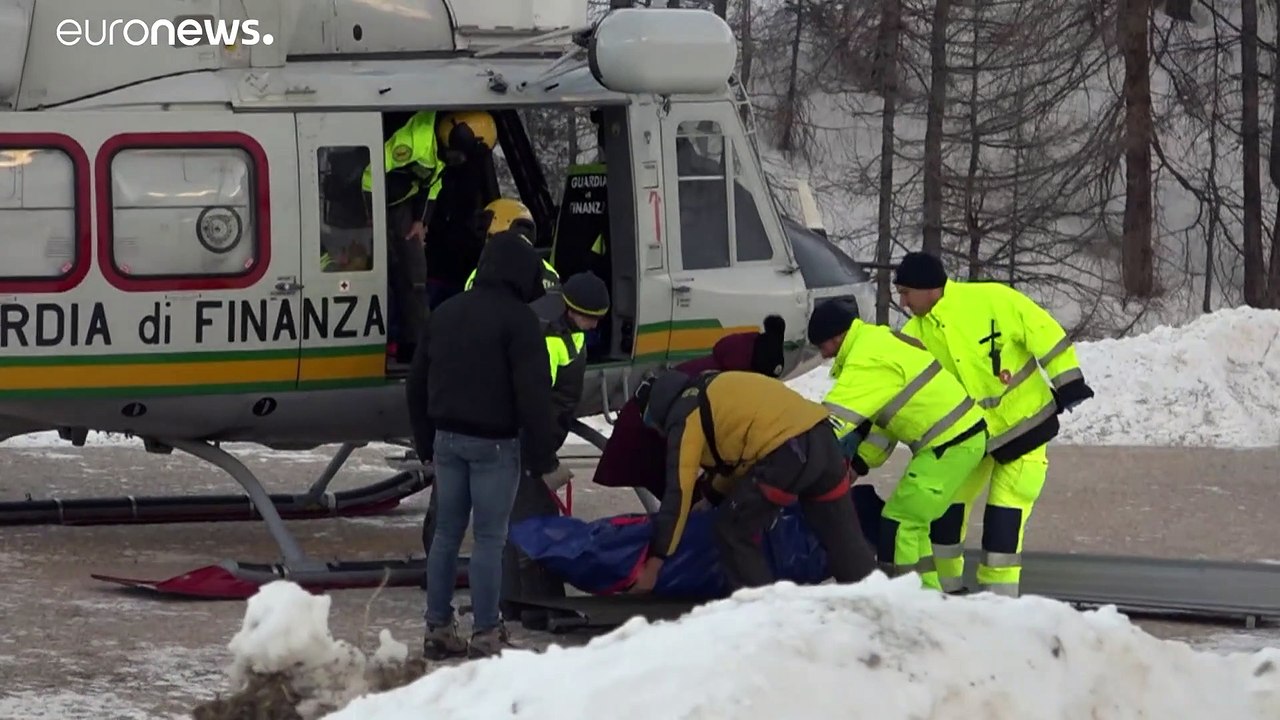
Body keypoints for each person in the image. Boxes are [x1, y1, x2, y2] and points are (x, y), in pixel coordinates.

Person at [892, 251, 1094, 597]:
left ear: (929, 289)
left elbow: (1041, 330)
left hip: (1025, 428)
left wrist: (1068, 381)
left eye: (906, 292)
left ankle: (1000, 602)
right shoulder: (914, 336)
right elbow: (900, 395)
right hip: (970, 441)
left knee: (1005, 517)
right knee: (946, 508)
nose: (902, 301)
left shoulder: (990, 300)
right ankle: (946, 589)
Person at [405, 230, 562, 660]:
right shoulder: (520, 321)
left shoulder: (446, 312)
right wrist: (542, 454)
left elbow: (416, 382)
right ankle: (487, 633)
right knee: (490, 540)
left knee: (446, 537)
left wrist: (424, 441)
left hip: (447, 441)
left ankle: (437, 629)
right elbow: (533, 394)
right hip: (495, 445)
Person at [626, 369, 878, 593]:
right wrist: (711, 497)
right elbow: (742, 457)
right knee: (842, 537)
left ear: (657, 410)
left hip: (788, 453)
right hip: (824, 442)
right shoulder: (713, 386)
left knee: (733, 530)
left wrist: (655, 564)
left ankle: (762, 616)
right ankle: (877, 607)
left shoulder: (684, 415)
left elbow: (677, 492)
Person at [807, 297, 989, 592]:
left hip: (951, 443)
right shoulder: (878, 341)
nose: (823, 355)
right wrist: (858, 464)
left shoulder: (865, 359)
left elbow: (834, 422)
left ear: (837, 336)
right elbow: (884, 423)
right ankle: (928, 594)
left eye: (822, 346)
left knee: (899, 523)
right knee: (911, 524)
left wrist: (799, 450)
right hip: (956, 440)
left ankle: (904, 600)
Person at [591, 315, 788, 498]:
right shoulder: (716, 382)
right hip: (649, 434)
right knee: (686, 502)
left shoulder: (729, 364)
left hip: (659, 429)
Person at [363, 110, 498, 362]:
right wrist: (370, 219)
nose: (458, 160)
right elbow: (369, 174)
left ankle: (417, 347)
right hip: (369, 197)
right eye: (458, 154)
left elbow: (433, 184)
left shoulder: (440, 152)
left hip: (402, 201)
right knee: (382, 271)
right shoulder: (411, 142)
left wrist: (420, 221)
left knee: (415, 275)